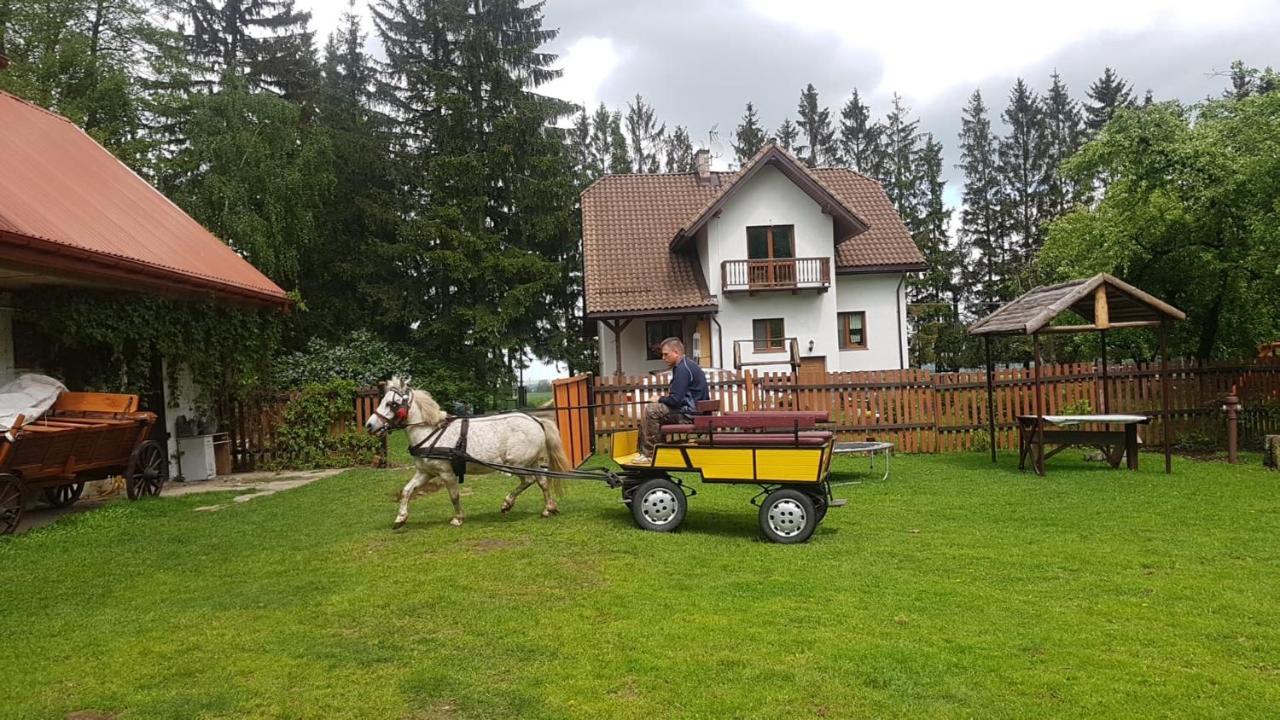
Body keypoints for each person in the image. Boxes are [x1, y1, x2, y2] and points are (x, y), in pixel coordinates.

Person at [635, 337, 708, 464]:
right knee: (653, 411)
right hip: (693, 412)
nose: (663, 357)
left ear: (676, 352)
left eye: (666, 354)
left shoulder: (683, 369)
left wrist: (659, 398)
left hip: (689, 415)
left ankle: (650, 455)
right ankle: (650, 451)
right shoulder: (686, 365)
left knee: (652, 410)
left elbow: (675, 400)